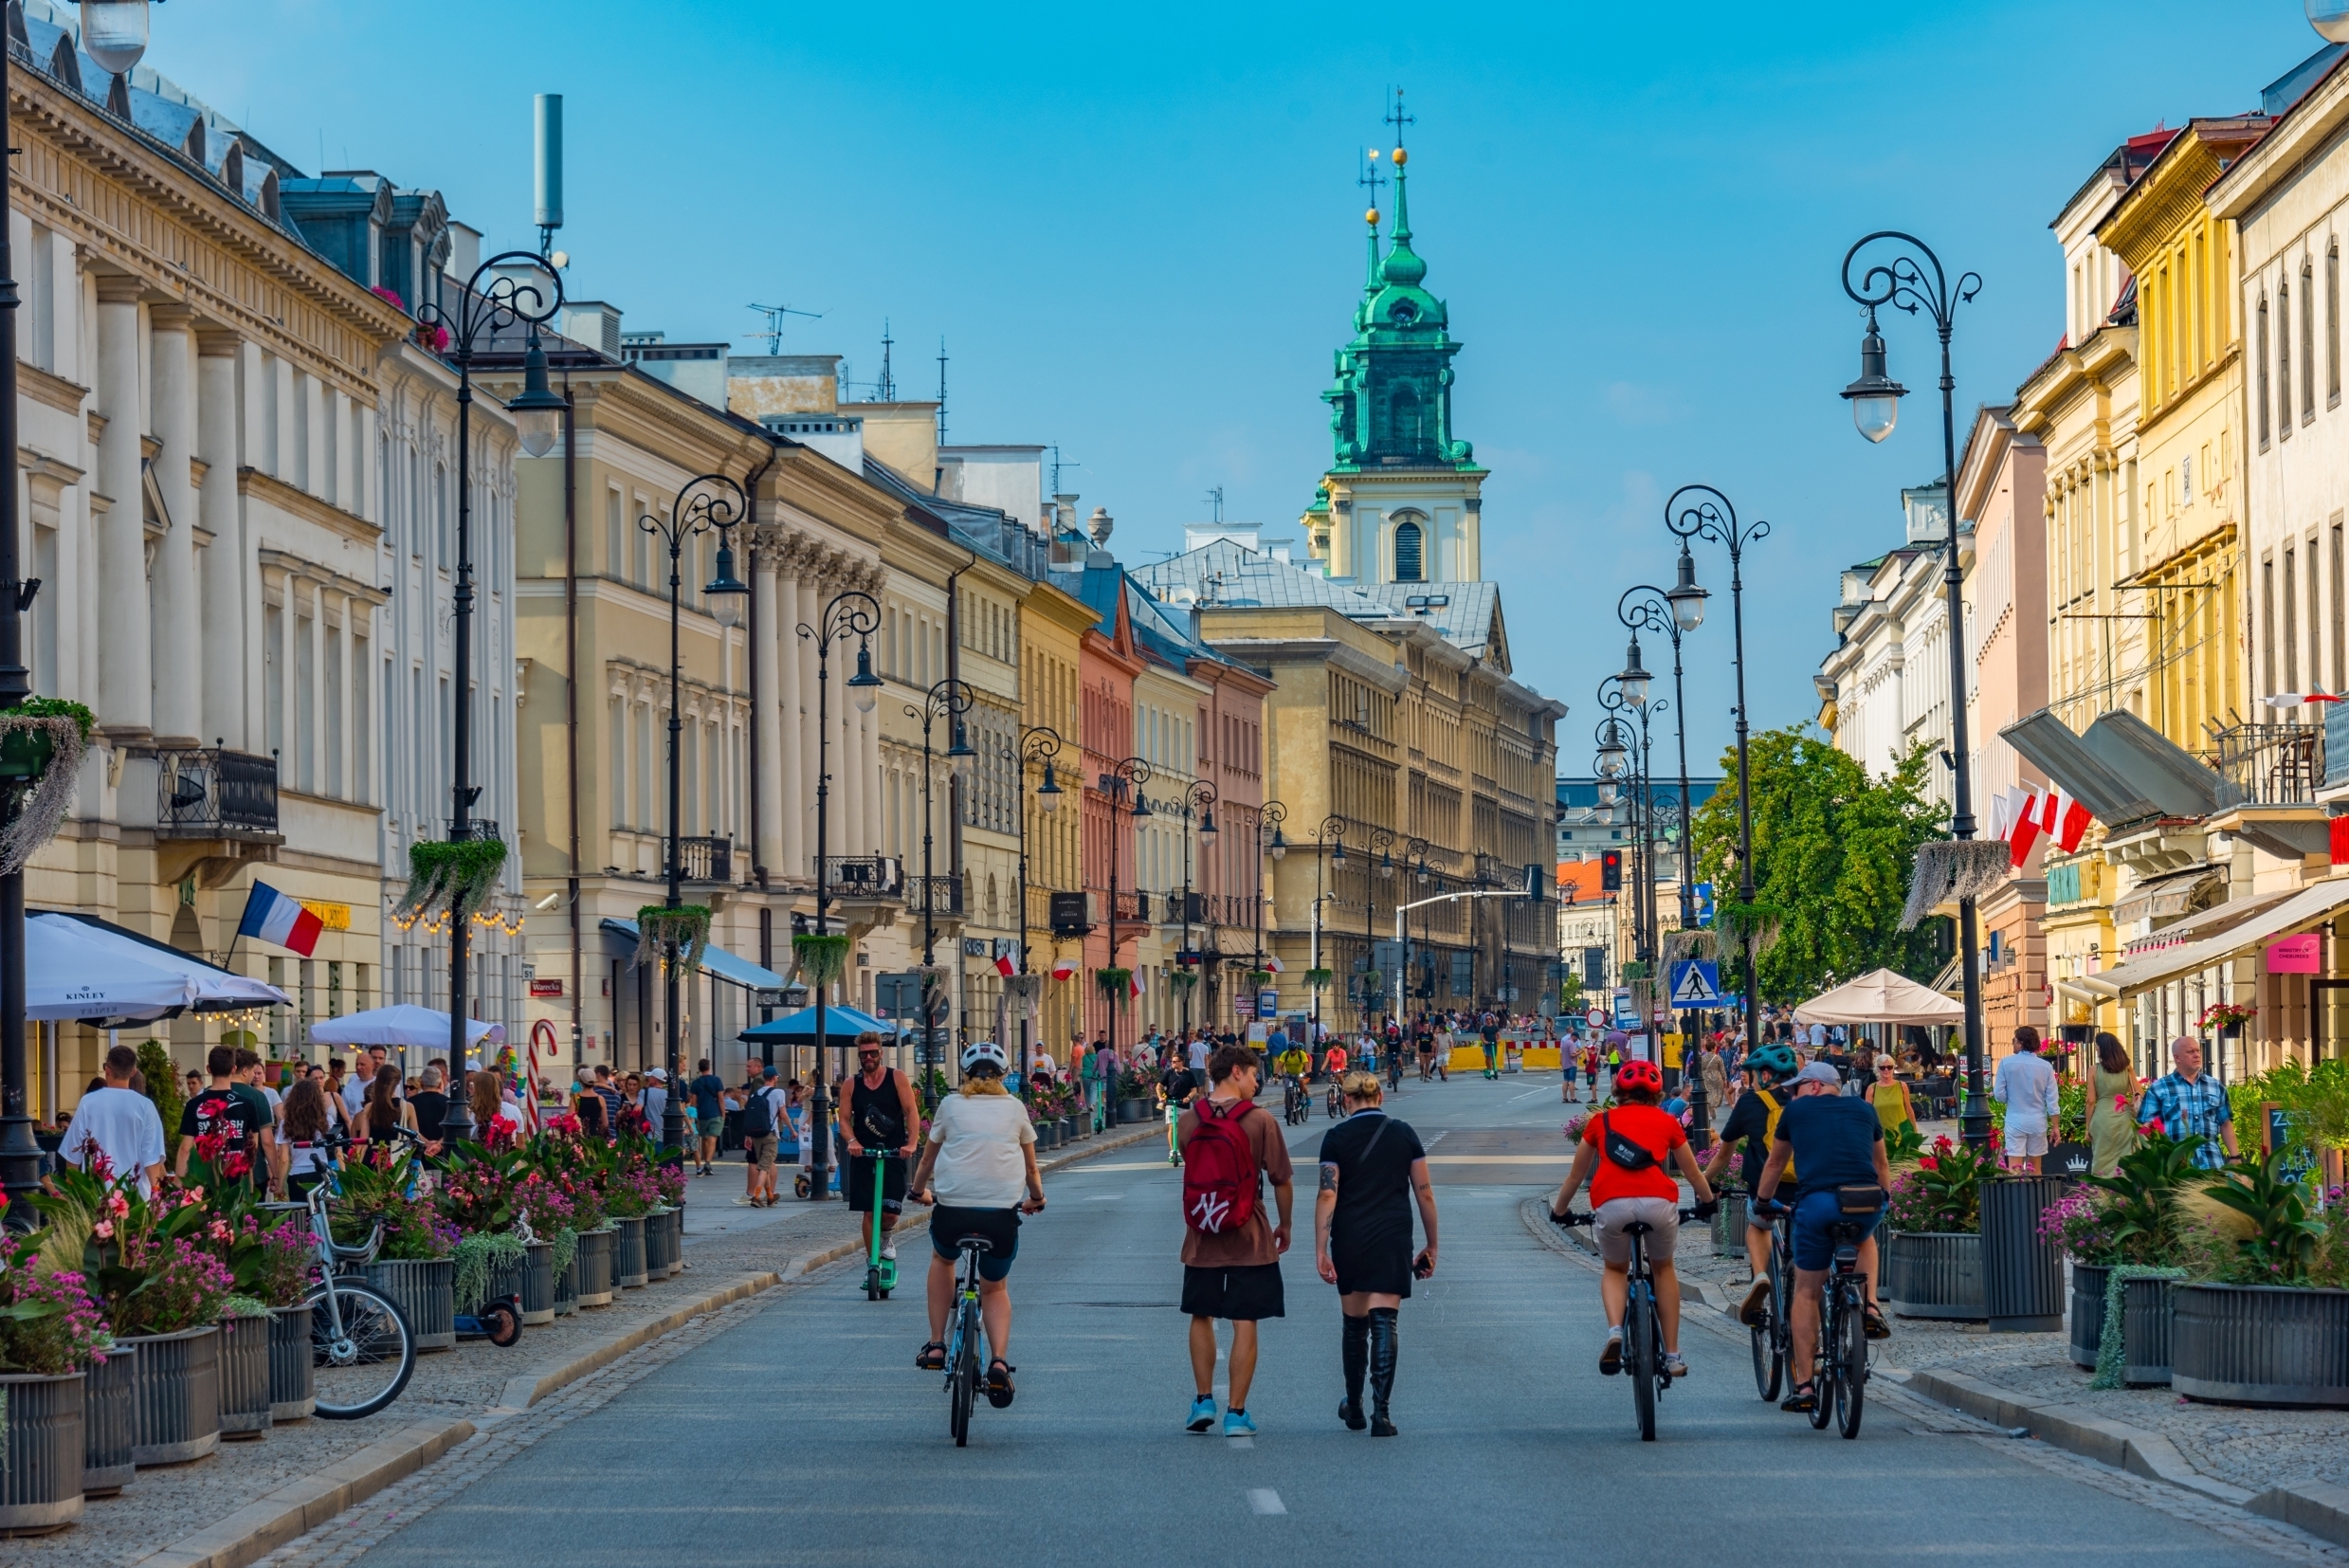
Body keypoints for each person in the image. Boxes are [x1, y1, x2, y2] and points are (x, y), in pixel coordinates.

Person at [1547, 1059, 1716, 1379]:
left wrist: (1560, 1212)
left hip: (1611, 1204)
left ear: (1617, 1091)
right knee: (1663, 1267)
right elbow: (1692, 1172)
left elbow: (1574, 1176)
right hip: (1658, 1203)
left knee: (1614, 1268)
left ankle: (1614, 1331)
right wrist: (1708, 1203)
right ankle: (1672, 1354)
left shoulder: (1600, 1122)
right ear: (1656, 1094)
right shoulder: (1668, 1123)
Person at [908, 1039, 1045, 1409]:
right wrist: (1037, 1199)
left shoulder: (950, 1106)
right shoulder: (1016, 1109)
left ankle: (937, 1345)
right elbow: (1031, 1167)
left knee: (943, 1260)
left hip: (953, 1214)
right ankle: (999, 1361)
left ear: (965, 1075)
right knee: (995, 1288)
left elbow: (926, 1161)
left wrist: (918, 1191)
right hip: (1000, 1217)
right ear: (1003, 1076)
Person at [1752, 1060, 1894, 1413]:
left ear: (1814, 1086)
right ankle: (1870, 1304)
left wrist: (1762, 1202)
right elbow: (1881, 1165)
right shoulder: (1864, 1108)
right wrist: (1885, 1200)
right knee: (1864, 1236)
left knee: (1806, 1291)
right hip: (1865, 1201)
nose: (1791, 1096)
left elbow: (1774, 1164)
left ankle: (1804, 1386)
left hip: (1818, 1205)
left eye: (1796, 1089)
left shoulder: (1795, 1114)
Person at [1178, 1044, 1293, 1438]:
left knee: (1201, 1314)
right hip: (1249, 1232)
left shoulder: (1190, 1120)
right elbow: (1280, 1178)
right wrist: (1286, 1225)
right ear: (1238, 1072)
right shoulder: (1260, 1120)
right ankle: (1236, 1412)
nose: (1258, 1082)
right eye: (1255, 1074)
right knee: (1245, 1319)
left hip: (1202, 1232)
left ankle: (1202, 1399)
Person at [1314, 1069, 1436, 1437]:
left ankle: (1354, 1406)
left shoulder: (1335, 1137)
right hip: (1393, 1235)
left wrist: (1321, 1248)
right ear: (1381, 1097)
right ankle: (1382, 1413)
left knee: (1354, 1326)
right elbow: (1424, 1193)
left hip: (1350, 1235)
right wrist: (1433, 1245)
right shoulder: (1404, 1134)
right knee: (1385, 1320)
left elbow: (1327, 1194)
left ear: (1346, 1101)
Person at [842, 1032, 920, 1267]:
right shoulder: (850, 1084)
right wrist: (851, 1142)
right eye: (864, 1053)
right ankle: (872, 1262)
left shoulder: (896, 1077)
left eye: (873, 1052)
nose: (868, 1057)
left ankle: (886, 1235)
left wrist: (912, 1143)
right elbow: (844, 1120)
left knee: (890, 1213)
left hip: (894, 1152)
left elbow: (911, 1111)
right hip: (863, 1154)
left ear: (881, 1054)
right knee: (869, 1212)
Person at [61, 1043, 167, 1195]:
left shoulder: (88, 1102)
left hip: (96, 1195)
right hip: (135, 1197)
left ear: (107, 1070)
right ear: (133, 1072)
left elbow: (73, 1152)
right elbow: (151, 1158)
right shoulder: (146, 1106)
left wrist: (69, 1192)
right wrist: (156, 1194)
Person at [2138, 1035, 2238, 1170]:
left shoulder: (2215, 1086)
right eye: (2190, 1052)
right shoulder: (2159, 1088)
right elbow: (2146, 1128)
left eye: (2198, 1051)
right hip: (2176, 1166)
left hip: (2212, 1163)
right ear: (2177, 1058)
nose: (2197, 1055)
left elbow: (2226, 1124)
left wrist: (2235, 1157)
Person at [1993, 1025, 2059, 1174]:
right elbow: (2052, 1100)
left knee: (2014, 1167)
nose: (2012, 1043)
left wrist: (2011, 1098)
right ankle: (2035, 1196)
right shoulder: (2046, 1067)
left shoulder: (2006, 1063)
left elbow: (1999, 1094)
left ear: (2021, 1042)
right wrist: (2055, 1126)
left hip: (2015, 1119)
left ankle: (2016, 1195)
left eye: (2014, 1040)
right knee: (2035, 1168)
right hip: (2037, 1121)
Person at [729, 1066, 784, 1206]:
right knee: (765, 1166)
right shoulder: (778, 1092)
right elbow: (783, 1114)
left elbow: (750, 1114)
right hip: (770, 1132)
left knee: (764, 1163)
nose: (747, 1069)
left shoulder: (756, 1093)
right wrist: (792, 1129)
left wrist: (748, 1135)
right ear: (774, 1077)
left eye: (749, 1066)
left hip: (756, 1132)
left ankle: (770, 1196)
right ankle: (757, 1196)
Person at [2087, 1031, 2140, 1177]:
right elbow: (2139, 1091)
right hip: (2124, 1115)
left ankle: (2101, 1193)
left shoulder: (2094, 1070)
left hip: (2102, 1117)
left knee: (2101, 1155)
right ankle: (2124, 1193)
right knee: (2125, 1155)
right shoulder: (2127, 1068)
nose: (2096, 1050)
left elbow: (2091, 1101)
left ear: (2103, 1048)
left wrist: (2087, 1127)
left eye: (2097, 1047)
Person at [280, 1077, 338, 1198]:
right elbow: (336, 1152)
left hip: (297, 1174)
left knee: (300, 1215)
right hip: (322, 1173)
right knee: (323, 1213)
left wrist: (279, 1185)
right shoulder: (327, 1120)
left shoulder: (286, 1123)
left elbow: (284, 1158)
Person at [354, 1064, 417, 1148]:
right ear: (397, 1082)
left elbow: (364, 1142)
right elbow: (416, 1139)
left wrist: (356, 1160)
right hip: (398, 1159)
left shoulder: (370, 1107)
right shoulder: (407, 1107)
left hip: (374, 1158)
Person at [690, 1058, 727, 1176]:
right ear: (709, 1067)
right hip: (715, 1112)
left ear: (699, 1068)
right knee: (713, 1138)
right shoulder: (716, 1080)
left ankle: (706, 1162)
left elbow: (693, 1102)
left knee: (705, 1138)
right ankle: (707, 1162)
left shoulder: (696, 1083)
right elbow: (721, 1098)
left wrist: (694, 1116)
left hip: (702, 1114)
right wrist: (723, 1113)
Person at [1869, 1058, 1916, 1138]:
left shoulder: (1902, 1086)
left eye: (1889, 1067)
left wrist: (1914, 1129)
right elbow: (1868, 1114)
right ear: (1877, 1069)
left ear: (1893, 1068)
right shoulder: (1872, 1088)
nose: (1886, 1070)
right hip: (1881, 1134)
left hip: (1902, 1132)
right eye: (1882, 1067)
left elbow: (1908, 1109)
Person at [410, 1065, 450, 1147]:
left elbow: (410, 1129)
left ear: (421, 1083)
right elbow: (451, 1130)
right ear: (439, 1084)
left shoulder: (411, 1102)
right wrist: (437, 1145)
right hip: (443, 1152)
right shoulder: (448, 1103)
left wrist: (426, 1143)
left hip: (417, 1151)